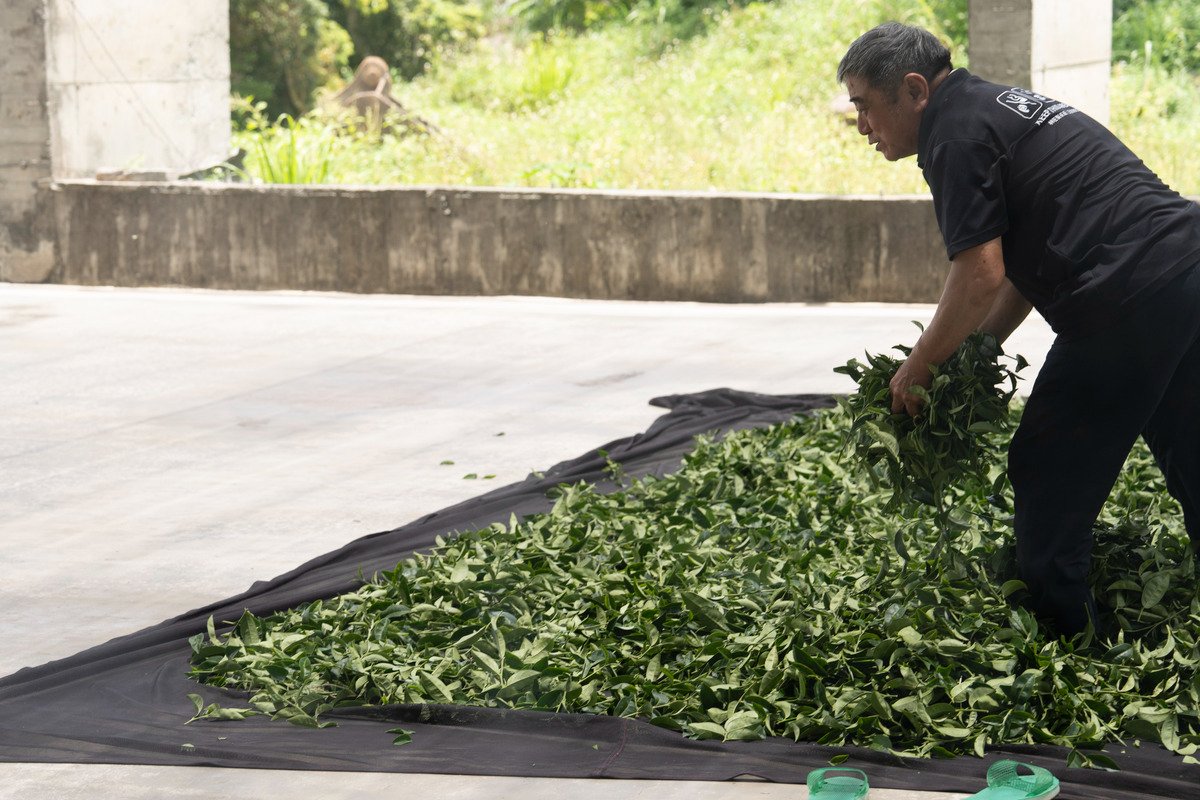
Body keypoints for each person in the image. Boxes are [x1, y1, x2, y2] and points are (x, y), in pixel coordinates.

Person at [836, 22, 1200, 637]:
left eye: (865, 106)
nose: (863, 125)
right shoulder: (996, 108)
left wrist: (919, 366)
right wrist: (977, 354)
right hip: (1185, 266)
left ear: (915, 89)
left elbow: (979, 272)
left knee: (1046, 463)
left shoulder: (952, 137)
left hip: (1126, 291)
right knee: (1187, 438)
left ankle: (1065, 639)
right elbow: (1023, 271)